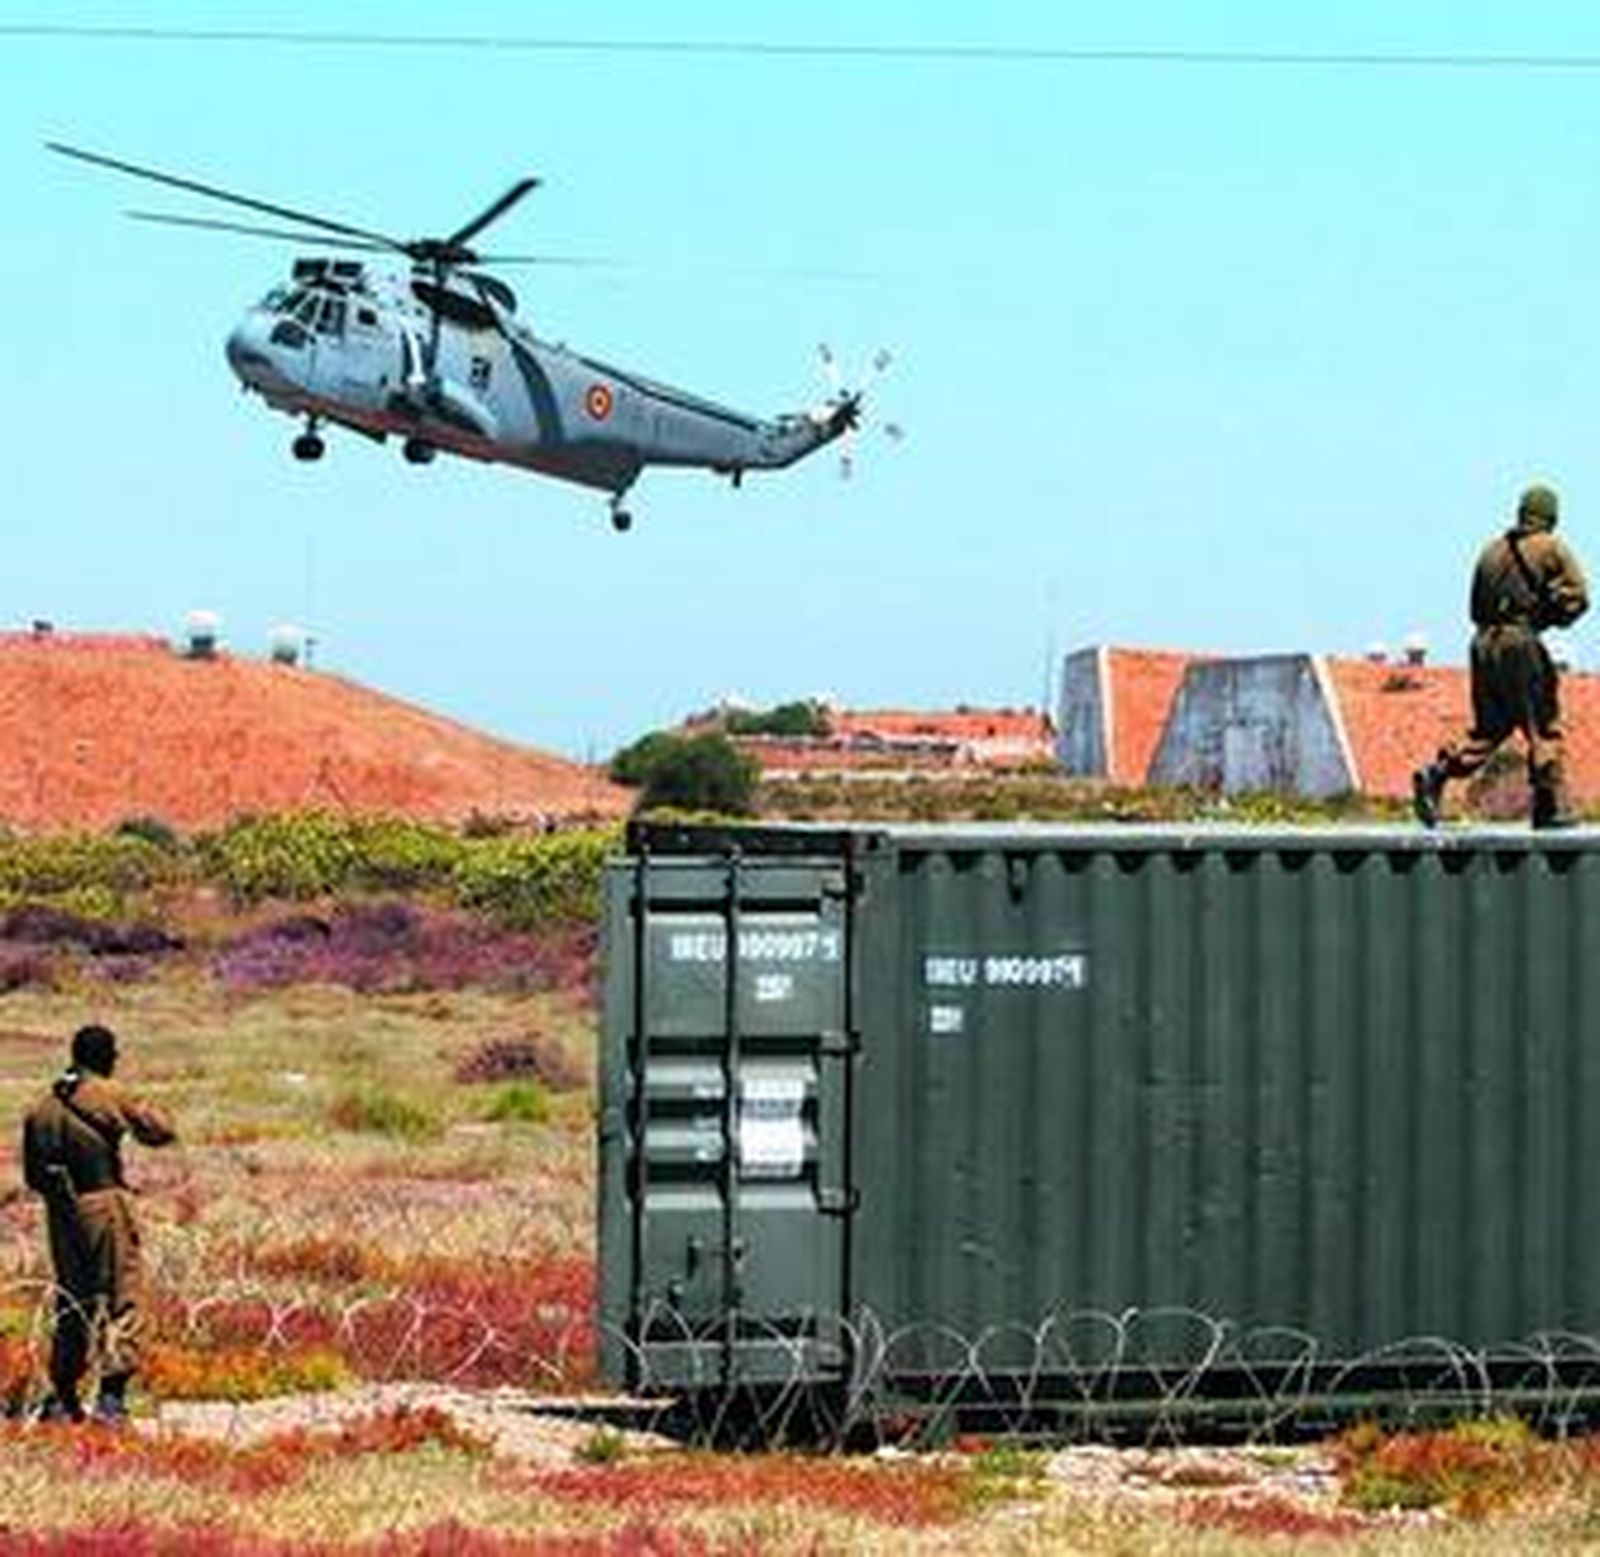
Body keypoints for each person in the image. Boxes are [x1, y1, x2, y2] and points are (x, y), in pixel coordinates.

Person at [20, 1024, 176, 1424]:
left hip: (61, 1213)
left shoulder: (43, 1106)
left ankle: (62, 1396)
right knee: (126, 1297)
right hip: (106, 1206)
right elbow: (160, 1131)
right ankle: (111, 1399)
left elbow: (32, 1175)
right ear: (106, 1057)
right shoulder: (107, 1093)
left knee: (73, 1301)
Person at [1413, 483, 1590, 829]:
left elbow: (1473, 607)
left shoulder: (1491, 551)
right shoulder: (1551, 547)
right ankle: (1549, 807)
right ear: (1550, 516)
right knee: (1543, 727)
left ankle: (1439, 772)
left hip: (1482, 646)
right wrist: (1550, 615)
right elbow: (1578, 598)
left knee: (1489, 730)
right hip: (1519, 643)